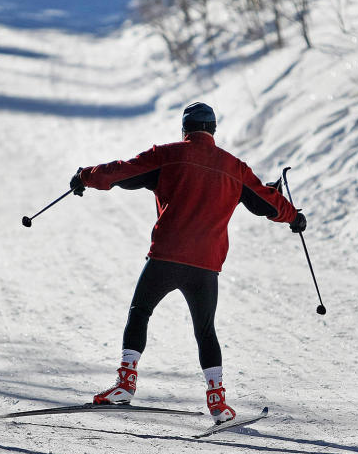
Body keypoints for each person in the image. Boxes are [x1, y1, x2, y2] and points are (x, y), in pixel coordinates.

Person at [70, 102, 307, 423]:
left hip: (166, 255)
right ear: (212, 130)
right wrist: (295, 217)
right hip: (206, 264)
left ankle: (125, 384)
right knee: (206, 330)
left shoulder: (167, 155)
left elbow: (121, 172)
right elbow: (266, 201)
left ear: (185, 130)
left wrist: (85, 177)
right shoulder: (234, 167)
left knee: (140, 312)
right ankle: (218, 402)